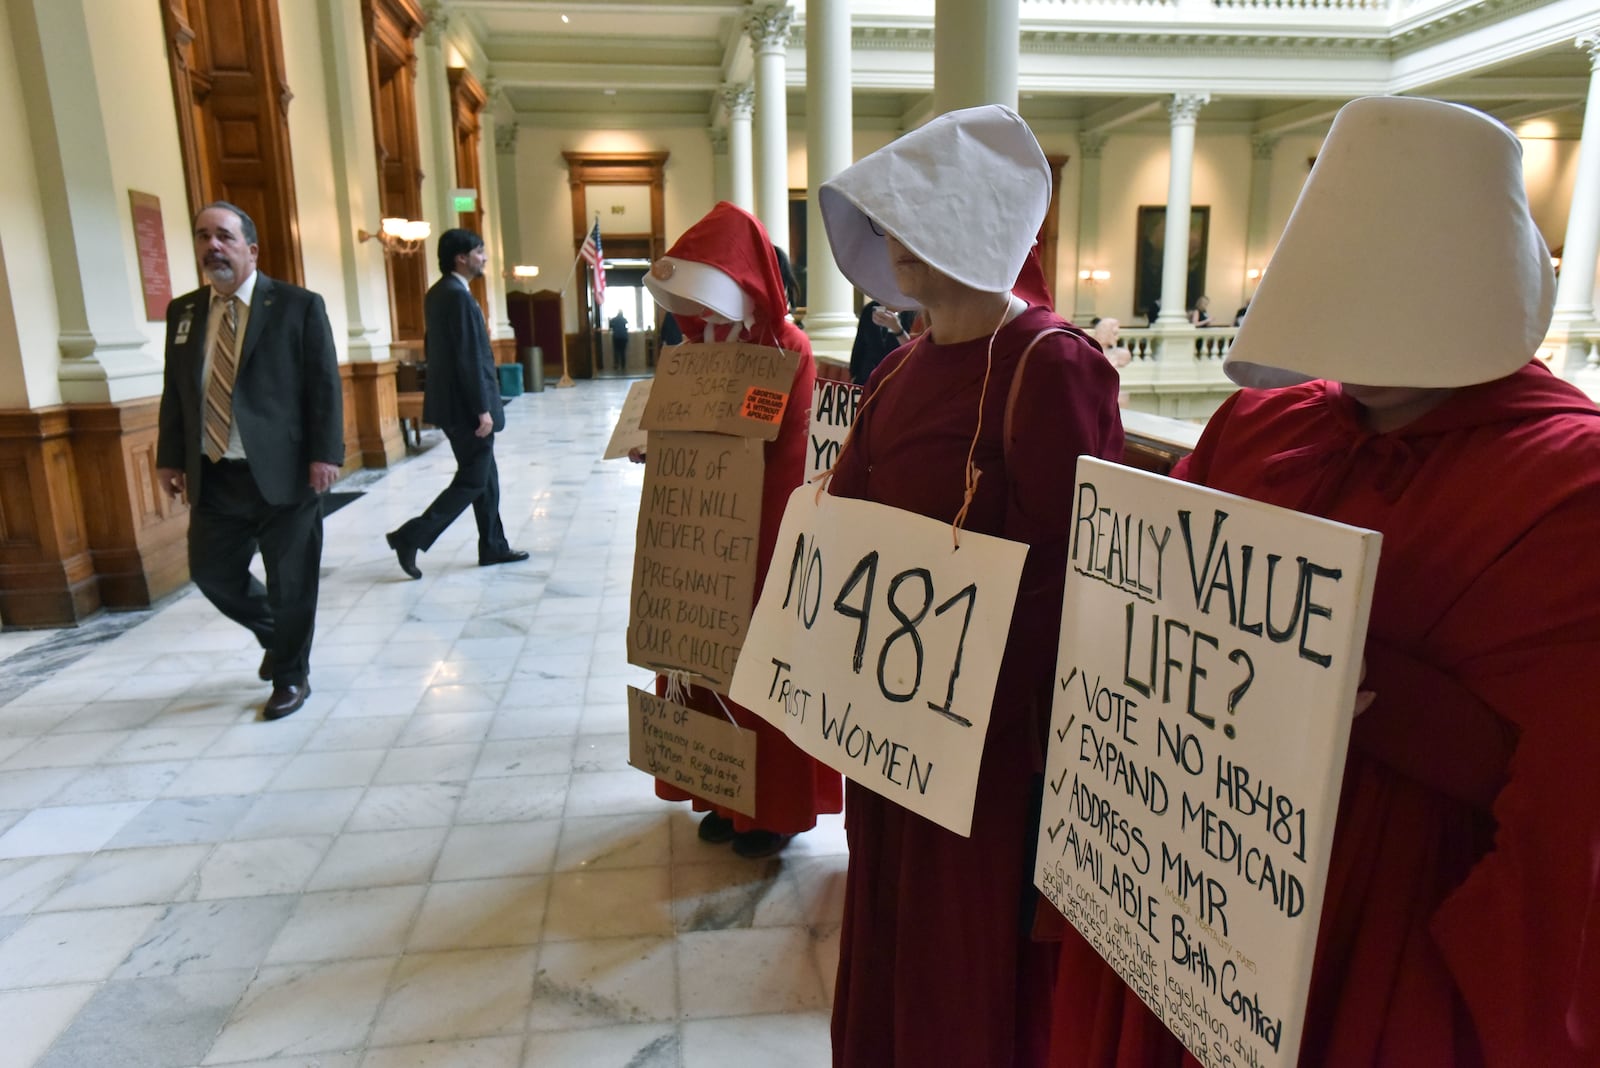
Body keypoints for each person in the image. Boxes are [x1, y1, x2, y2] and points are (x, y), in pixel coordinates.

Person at [1048, 96, 1600, 1067]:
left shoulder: (1571, 484)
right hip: (1194, 866)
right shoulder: (1257, 428)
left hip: (1384, 910)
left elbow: (1564, 803)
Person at [817, 104, 1124, 1067]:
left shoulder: (1051, 362)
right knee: (890, 911)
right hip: (890, 713)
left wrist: (951, 669)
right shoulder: (902, 368)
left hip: (986, 741)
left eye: (921, 215)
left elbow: (1074, 569)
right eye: (893, 219)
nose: (898, 240)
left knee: (963, 947)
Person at [637, 201, 841, 859]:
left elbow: (776, 436)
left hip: (760, 533)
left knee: (756, 674)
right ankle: (720, 792)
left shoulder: (788, 347)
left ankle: (772, 811)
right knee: (700, 666)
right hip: (699, 526)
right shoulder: (694, 347)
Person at [156, 202, 343, 721]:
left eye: (224, 236)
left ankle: (290, 675)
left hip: (285, 472)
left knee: (292, 579)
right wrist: (170, 457)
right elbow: (177, 391)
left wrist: (326, 454)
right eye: (202, 236)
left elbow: (323, 384)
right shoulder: (186, 312)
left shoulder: (296, 305)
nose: (212, 246)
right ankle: (278, 637)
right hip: (215, 472)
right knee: (212, 572)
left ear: (251, 249)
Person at [386, 229, 528, 579]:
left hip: (453, 403)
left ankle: (493, 545)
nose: (484, 258)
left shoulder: (439, 293)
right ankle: (411, 536)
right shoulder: (457, 297)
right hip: (467, 409)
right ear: (461, 257)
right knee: (473, 479)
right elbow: (468, 357)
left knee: (486, 477)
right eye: (479, 251)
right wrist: (482, 408)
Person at [848, 299, 915, 385]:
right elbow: (860, 344)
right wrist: (854, 374)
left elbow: (914, 350)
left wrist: (897, 329)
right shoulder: (870, 309)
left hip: (895, 379)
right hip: (867, 378)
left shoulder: (911, 312)